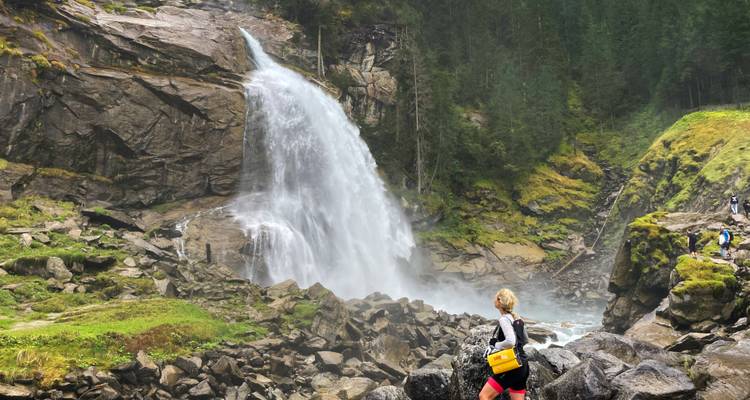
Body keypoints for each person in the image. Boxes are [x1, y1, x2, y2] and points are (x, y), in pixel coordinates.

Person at [480, 289, 529, 400]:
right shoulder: (517, 318)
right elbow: (525, 340)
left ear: (499, 301)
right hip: (523, 365)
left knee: (484, 396)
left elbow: (511, 341)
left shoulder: (504, 319)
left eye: (495, 298)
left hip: (512, 365)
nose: (493, 300)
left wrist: (496, 345)